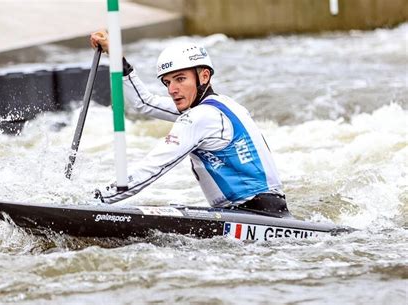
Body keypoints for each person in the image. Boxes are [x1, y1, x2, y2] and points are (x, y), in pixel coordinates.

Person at [90, 30, 292, 218]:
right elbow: (145, 103)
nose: (172, 89)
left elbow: (152, 167)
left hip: (254, 214)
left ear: (204, 76)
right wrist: (117, 59)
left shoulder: (201, 117)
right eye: (167, 82)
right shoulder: (221, 105)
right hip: (269, 211)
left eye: (180, 79)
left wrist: (96, 200)